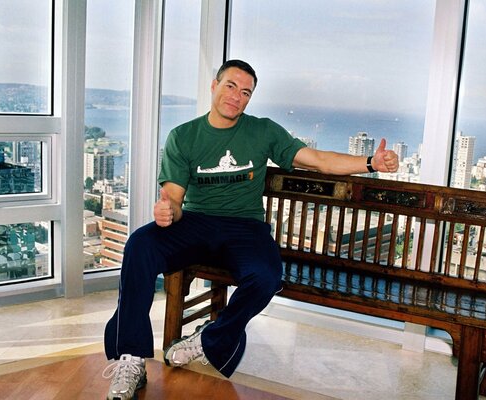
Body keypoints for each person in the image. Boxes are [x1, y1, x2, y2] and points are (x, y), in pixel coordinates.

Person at [102, 59, 399, 400]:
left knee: (268, 276)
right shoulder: (183, 136)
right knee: (140, 244)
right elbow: (174, 197)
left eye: (246, 92)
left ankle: (208, 339)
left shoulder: (263, 131)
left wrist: (369, 164)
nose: (237, 96)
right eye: (231, 86)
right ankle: (132, 357)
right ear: (214, 87)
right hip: (196, 222)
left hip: (245, 227)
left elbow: (318, 160)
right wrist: (167, 210)